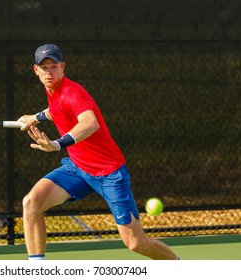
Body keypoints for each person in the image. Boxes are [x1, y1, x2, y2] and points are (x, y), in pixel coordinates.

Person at [18, 44, 179, 260]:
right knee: (31, 203)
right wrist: (36, 117)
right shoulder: (54, 92)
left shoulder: (72, 92)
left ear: (62, 67)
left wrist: (57, 144)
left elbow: (90, 123)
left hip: (108, 172)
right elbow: (56, 110)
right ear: (35, 70)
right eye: (44, 67)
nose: (49, 72)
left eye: (54, 66)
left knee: (135, 243)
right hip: (77, 168)